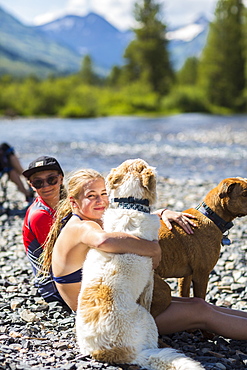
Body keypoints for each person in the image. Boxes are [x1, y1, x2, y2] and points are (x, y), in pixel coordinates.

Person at [42, 168, 247, 341]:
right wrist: (152, 249)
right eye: (91, 196)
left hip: (118, 306)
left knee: (199, 304)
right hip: (107, 320)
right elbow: (103, 240)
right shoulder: (81, 226)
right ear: (73, 201)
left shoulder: (93, 220)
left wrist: (162, 213)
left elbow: (127, 221)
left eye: (104, 194)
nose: (101, 201)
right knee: (202, 313)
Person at [22, 155, 67, 305]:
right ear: (31, 185)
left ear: (61, 178)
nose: (46, 186)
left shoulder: (66, 202)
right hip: (55, 287)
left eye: (51, 179)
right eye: (38, 182)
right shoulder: (40, 215)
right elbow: (59, 259)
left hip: (64, 274)